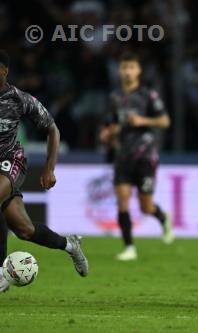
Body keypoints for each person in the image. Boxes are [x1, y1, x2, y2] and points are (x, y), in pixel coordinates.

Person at [0, 49, 88, 292]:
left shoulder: (19, 99)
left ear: (5, 71)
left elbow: (52, 129)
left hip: (9, 161)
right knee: (24, 229)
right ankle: (69, 245)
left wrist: (49, 168)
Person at [100, 52, 173, 261]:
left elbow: (165, 121)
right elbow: (111, 124)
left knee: (145, 206)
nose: (128, 71)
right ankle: (129, 247)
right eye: (124, 67)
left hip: (145, 156)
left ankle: (163, 217)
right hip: (122, 156)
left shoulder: (148, 95)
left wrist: (142, 120)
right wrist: (107, 133)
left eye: (132, 67)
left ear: (139, 70)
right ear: (119, 71)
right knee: (122, 200)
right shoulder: (115, 98)